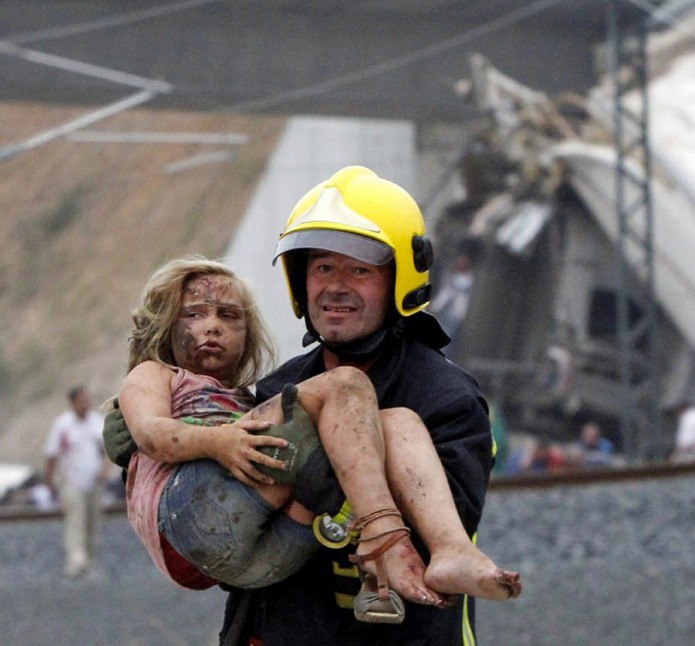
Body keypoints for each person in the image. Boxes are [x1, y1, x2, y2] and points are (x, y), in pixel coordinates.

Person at [106, 165, 503, 645]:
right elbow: (229, 553)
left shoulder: (445, 397)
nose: (336, 285)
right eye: (322, 267)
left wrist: (323, 484)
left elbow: (442, 523)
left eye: (360, 269)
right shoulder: (281, 386)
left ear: (400, 278)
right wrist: (158, 446)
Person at [44, 385, 109, 578]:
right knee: (76, 519)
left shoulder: (97, 423)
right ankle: (76, 560)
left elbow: (107, 451)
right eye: (81, 400)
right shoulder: (62, 425)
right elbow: (52, 454)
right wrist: (48, 481)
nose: (86, 404)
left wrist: (105, 470)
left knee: (92, 522)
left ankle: (88, 561)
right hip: (71, 481)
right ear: (73, 403)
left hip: (95, 482)